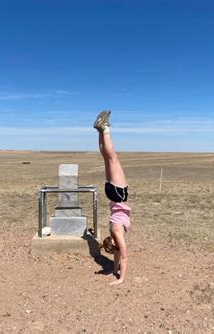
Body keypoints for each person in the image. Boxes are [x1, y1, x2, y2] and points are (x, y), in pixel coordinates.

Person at [93, 110, 131, 286]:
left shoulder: (116, 232)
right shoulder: (113, 232)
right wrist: (114, 271)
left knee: (113, 158)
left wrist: (121, 278)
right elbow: (118, 255)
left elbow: (123, 255)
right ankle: (101, 130)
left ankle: (105, 128)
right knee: (107, 158)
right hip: (112, 194)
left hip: (118, 194)